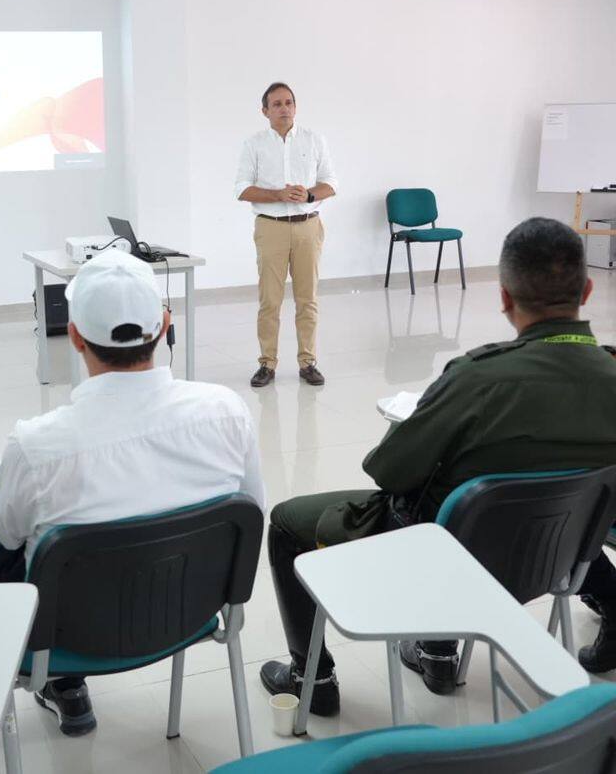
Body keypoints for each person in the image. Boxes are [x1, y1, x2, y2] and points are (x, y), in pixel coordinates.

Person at [260, 217, 616, 716]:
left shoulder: (478, 379)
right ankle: (439, 648)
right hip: (555, 561)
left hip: (448, 569)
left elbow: (387, 472)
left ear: (505, 298)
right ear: (588, 288)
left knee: (286, 521)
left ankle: (312, 679)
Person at [0, 249, 266, 736]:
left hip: (64, 630)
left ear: (74, 335)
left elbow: (4, 537)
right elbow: (253, 514)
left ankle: (62, 679)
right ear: (165, 325)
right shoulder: (226, 409)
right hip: (189, 608)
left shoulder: (38, 443)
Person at [235, 82, 338, 388]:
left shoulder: (313, 139)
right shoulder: (254, 144)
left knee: (308, 299)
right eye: (277, 104)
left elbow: (330, 182)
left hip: (309, 226)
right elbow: (242, 188)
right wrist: (278, 194)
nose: (284, 109)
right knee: (270, 300)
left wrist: (308, 195)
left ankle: (308, 362)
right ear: (265, 111)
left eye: (289, 103)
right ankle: (267, 363)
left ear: (296, 107)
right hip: (271, 227)